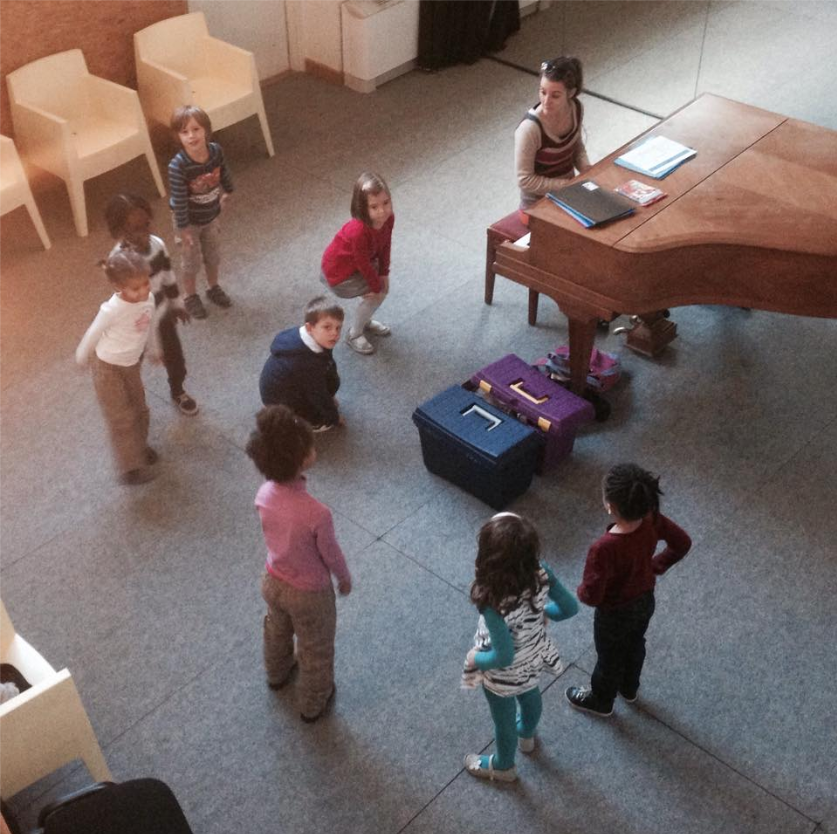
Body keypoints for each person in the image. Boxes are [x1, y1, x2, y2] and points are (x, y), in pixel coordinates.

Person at [246, 405, 353, 723]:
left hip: (272, 579)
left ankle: (276, 673)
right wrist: (344, 578)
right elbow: (330, 553)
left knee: (276, 628)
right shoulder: (316, 513)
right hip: (310, 593)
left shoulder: (263, 493)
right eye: (309, 446)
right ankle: (313, 701)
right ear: (301, 459)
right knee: (315, 646)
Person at [566, 463, 692, 716]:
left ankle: (601, 699)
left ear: (610, 506)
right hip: (645, 600)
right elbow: (682, 542)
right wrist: (655, 565)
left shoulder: (603, 548)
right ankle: (629, 687)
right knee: (636, 643)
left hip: (614, 613)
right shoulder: (652, 518)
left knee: (608, 657)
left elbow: (592, 595)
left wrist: (581, 591)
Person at [463, 513, 578, 782]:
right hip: (534, 654)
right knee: (530, 695)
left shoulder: (493, 602)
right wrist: (543, 613)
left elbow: (503, 655)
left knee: (502, 719)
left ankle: (503, 766)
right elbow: (570, 608)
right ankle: (527, 734)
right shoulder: (541, 573)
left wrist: (476, 658)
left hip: (503, 673)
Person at [105, 193, 198, 416]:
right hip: (134, 321)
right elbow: (129, 304)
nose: (145, 234)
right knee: (130, 367)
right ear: (119, 231)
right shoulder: (119, 261)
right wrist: (152, 347)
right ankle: (133, 403)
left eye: (147, 225)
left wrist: (176, 303)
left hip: (162, 313)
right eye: (135, 229)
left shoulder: (157, 245)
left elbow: (167, 275)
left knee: (176, 359)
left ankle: (178, 390)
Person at [76, 250, 161, 485]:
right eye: (135, 288)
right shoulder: (111, 309)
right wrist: (82, 357)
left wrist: (153, 349)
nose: (143, 291)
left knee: (140, 409)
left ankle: (139, 448)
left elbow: (150, 325)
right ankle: (130, 467)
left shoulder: (149, 300)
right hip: (107, 369)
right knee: (121, 417)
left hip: (131, 364)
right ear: (118, 287)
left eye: (146, 283)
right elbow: (92, 334)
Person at [168, 105, 234, 320]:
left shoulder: (216, 151)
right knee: (190, 261)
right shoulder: (178, 166)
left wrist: (228, 191)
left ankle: (213, 287)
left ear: (206, 129)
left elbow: (223, 170)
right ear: (178, 137)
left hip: (211, 215)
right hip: (189, 222)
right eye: (184, 132)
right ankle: (190, 295)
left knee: (213, 254)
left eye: (196, 129)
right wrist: (184, 229)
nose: (191, 136)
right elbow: (179, 201)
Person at [321, 171, 393, 356]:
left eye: (386, 203)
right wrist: (375, 285)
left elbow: (385, 245)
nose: (382, 211)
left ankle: (365, 318)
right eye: (374, 206)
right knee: (379, 294)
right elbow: (361, 261)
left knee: (381, 289)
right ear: (362, 208)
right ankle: (354, 334)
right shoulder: (358, 231)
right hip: (339, 275)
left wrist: (384, 272)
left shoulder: (388, 219)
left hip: (359, 264)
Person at [515, 56, 591, 224]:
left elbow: (576, 146)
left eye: (555, 95)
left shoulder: (576, 108)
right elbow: (525, 180)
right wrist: (567, 185)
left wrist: (588, 170)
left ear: (571, 93)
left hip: (568, 193)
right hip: (536, 206)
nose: (546, 101)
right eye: (543, 92)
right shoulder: (530, 129)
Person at [259, 297, 344, 432]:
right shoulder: (306, 364)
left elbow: (326, 364)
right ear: (310, 327)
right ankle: (310, 422)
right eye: (327, 327)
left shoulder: (309, 338)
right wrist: (334, 416)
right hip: (283, 403)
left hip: (286, 390)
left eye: (338, 328)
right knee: (321, 415)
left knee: (325, 383)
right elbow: (318, 394)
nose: (335, 333)